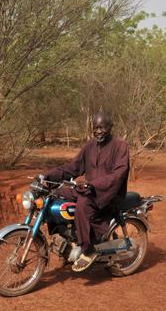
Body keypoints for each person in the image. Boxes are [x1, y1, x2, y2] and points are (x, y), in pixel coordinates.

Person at [43, 112, 130, 272]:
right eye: (95, 128)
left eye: (102, 127)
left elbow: (118, 175)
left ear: (110, 127)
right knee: (56, 194)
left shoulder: (120, 146)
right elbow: (74, 167)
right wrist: (48, 176)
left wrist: (93, 185)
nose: (98, 131)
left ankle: (88, 249)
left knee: (83, 204)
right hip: (89, 190)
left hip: (109, 194)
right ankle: (65, 239)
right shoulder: (90, 146)